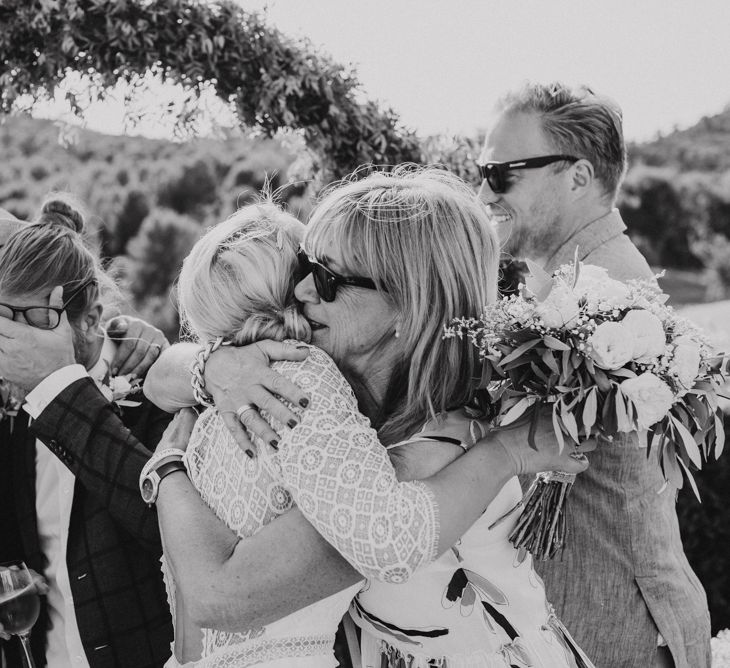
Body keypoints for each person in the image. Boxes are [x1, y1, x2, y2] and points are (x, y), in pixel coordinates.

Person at [145, 167, 594, 668]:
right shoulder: (336, 392)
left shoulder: (435, 445)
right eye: (307, 267)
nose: (302, 292)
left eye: (331, 279)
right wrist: (214, 366)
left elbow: (223, 595)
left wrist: (168, 469)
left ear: (409, 302)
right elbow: (159, 378)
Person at [476, 81, 711, 668]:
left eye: (503, 173)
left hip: (613, 629)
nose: (483, 190)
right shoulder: (572, 283)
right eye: (479, 170)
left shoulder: (601, 295)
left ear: (578, 177)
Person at [0, 195, 174, 667]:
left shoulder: (159, 389)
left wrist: (59, 385)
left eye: (33, 320)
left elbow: (168, 530)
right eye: (4, 320)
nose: (15, 342)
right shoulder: (11, 402)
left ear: (92, 320)